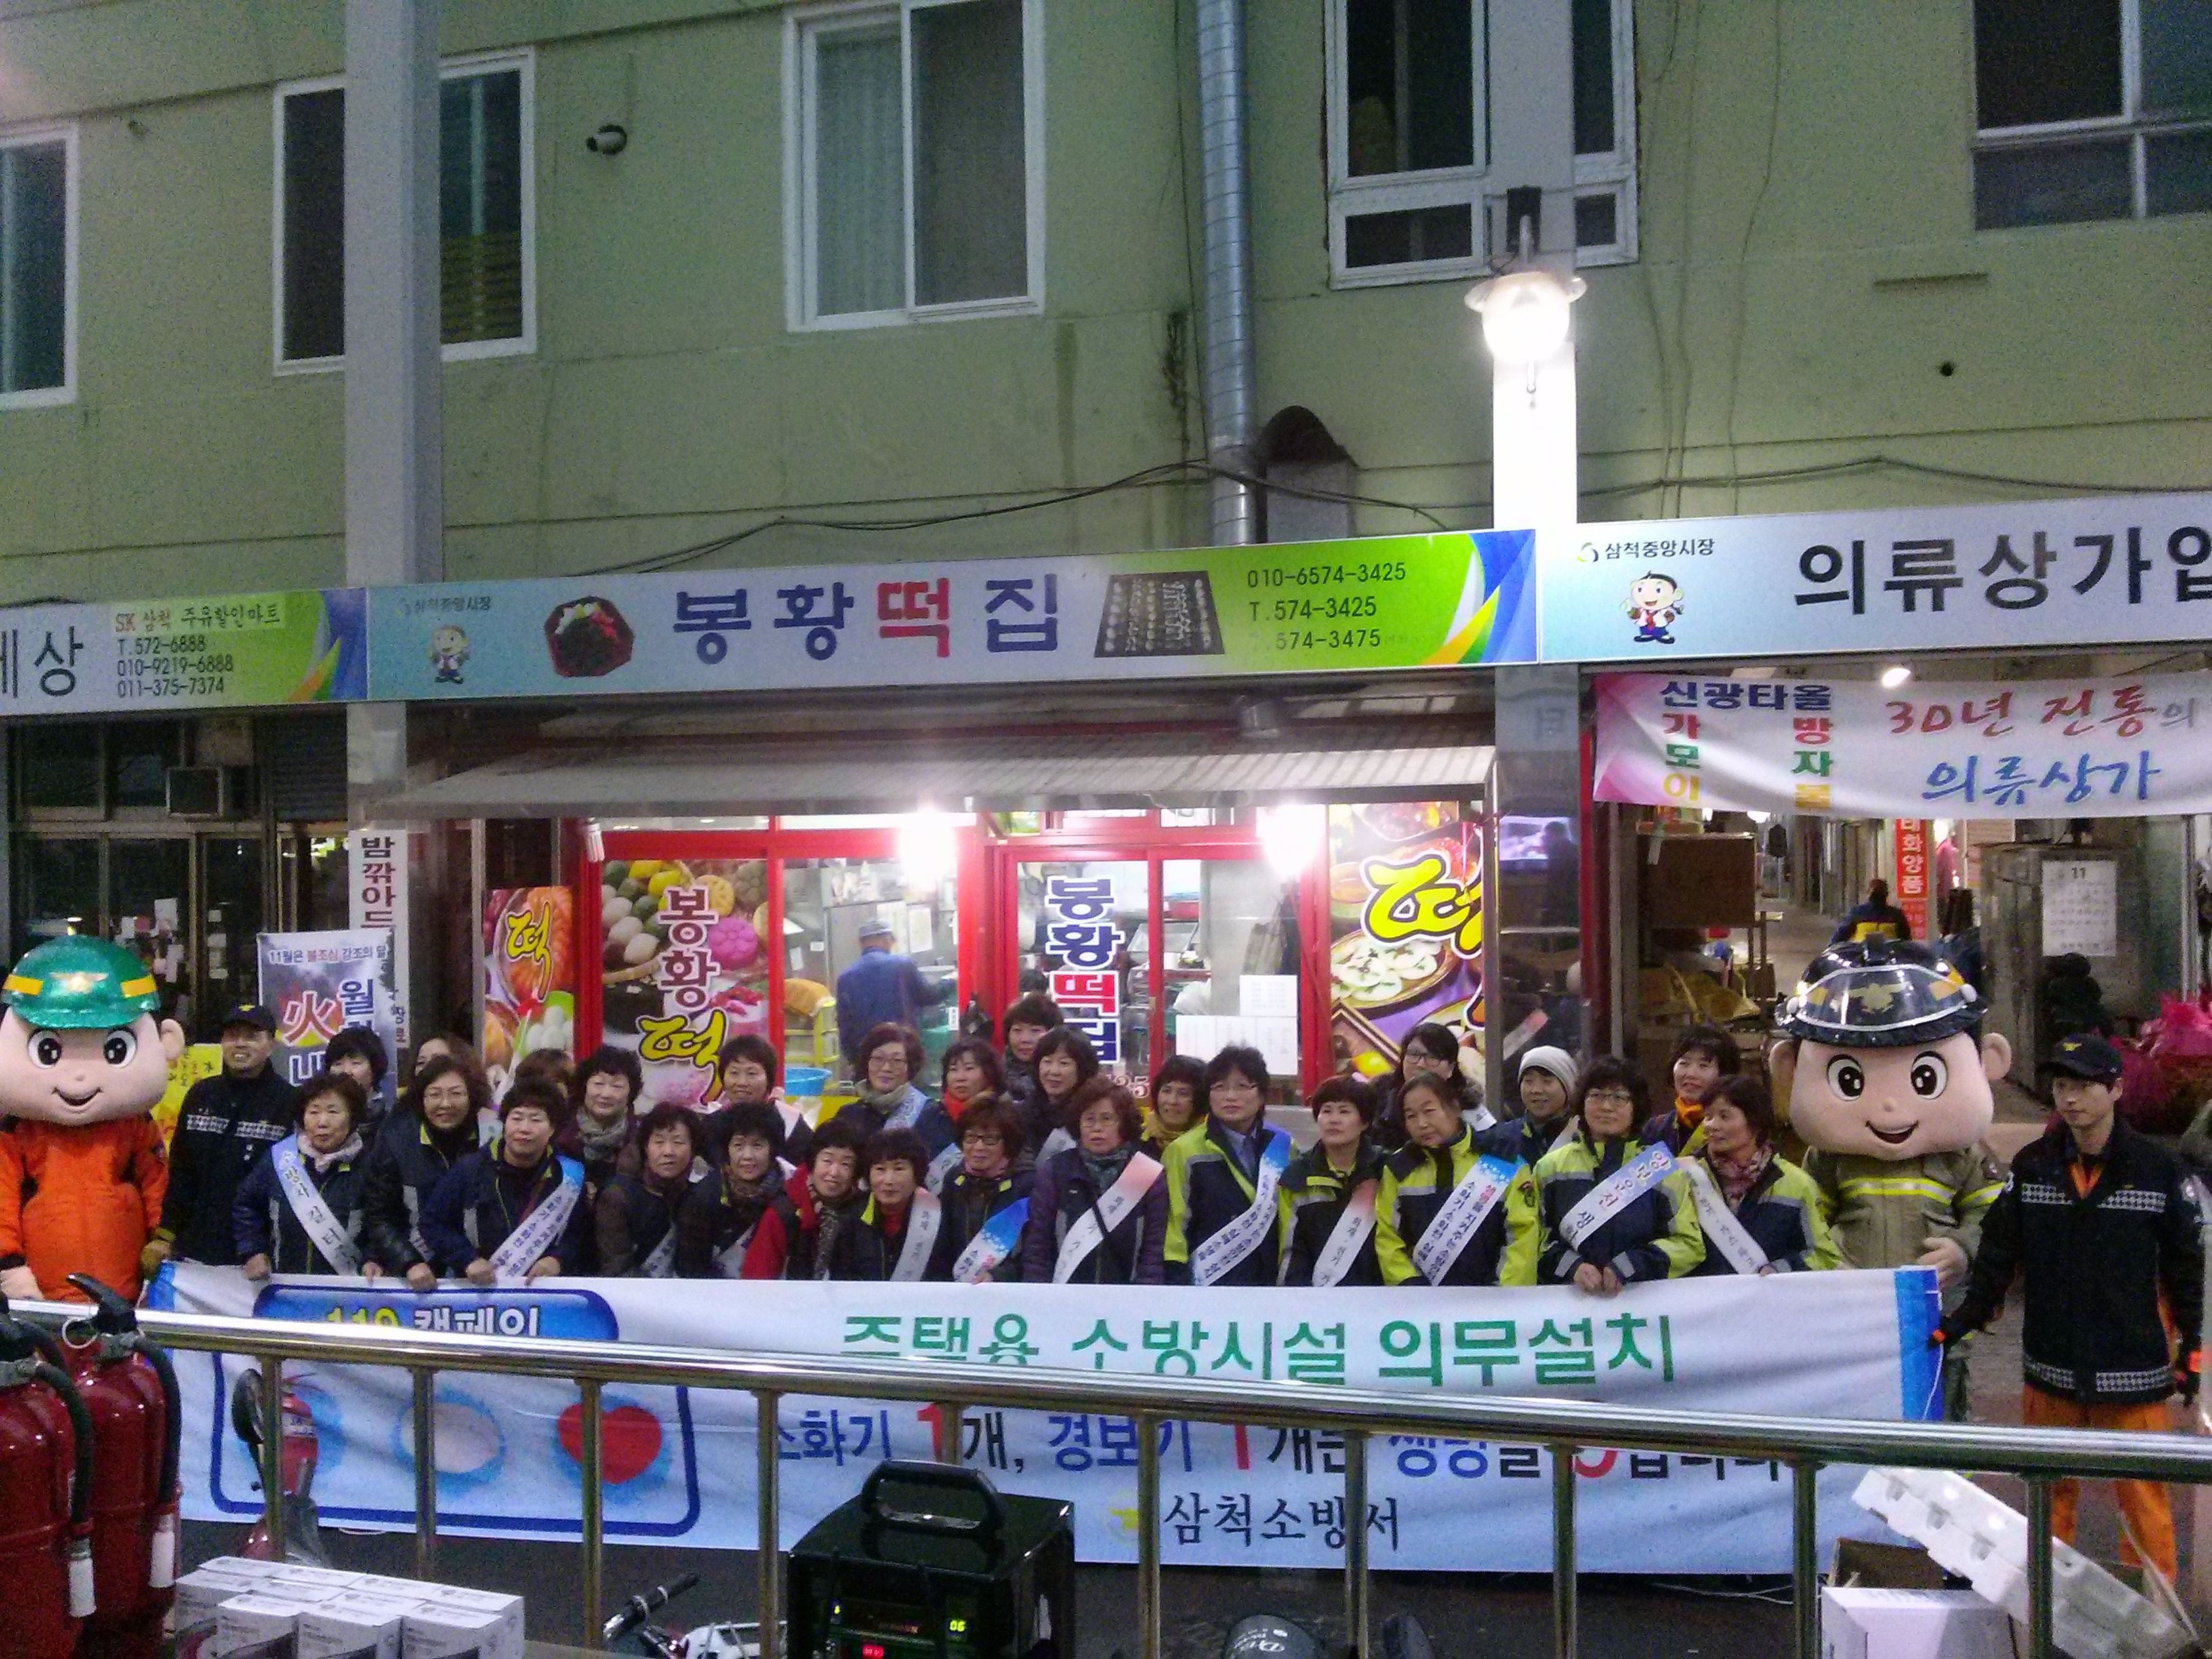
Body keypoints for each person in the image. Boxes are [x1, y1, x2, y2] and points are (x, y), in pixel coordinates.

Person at [1940, 1035, 2203, 1586]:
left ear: (2117, 1089)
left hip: (2133, 1371)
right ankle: (2046, 1607)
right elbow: (2000, 1250)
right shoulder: (2034, 1167)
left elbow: (2185, 1267)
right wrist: (1965, 1318)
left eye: (2083, 1086)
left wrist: (2193, 1348)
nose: (2070, 1099)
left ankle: (2154, 1617)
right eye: (2061, 1086)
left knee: (2143, 1503)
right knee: (2047, 1498)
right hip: (2051, 1367)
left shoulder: (2158, 1171)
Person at [1780, 939, 2010, 1420]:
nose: (1889, 1105)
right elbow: (1807, 1216)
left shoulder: (1963, 1157)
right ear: (1787, 1069)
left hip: (1938, 1315)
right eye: (1851, 1080)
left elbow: (1995, 1215)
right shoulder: (1829, 1159)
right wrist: (1826, 1259)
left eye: (1924, 1078)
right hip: (1852, 1316)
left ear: (1989, 1060)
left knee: (1939, 1413)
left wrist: (1963, 1248)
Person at [1525, 1056, 1704, 1292]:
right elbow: (1532, 1238)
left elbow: (1689, 1244)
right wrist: (1571, 1266)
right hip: (1568, 1305)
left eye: (1619, 1098)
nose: (1607, 1107)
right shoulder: (1550, 1167)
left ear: (1636, 1106)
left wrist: (1633, 1266)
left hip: (1640, 1306)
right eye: (1596, 1096)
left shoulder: (1660, 1169)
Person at [151, 1002, 297, 1269]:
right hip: (193, 1251)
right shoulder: (200, 1095)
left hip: (258, 1259)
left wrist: (260, 1249)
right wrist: (165, 1235)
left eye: (251, 1037)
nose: (240, 1044)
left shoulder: (289, 1102)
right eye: (232, 1036)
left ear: (272, 1045)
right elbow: (181, 1172)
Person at [420, 1075, 590, 1284]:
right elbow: (432, 1223)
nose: (524, 1129)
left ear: (553, 1129)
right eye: (516, 1118)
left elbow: (580, 1234)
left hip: (542, 1290)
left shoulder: (568, 1176)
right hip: (478, 1289)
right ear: (504, 1122)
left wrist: (558, 1259)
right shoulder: (470, 1169)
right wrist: (467, 1259)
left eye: (536, 1120)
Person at [1376, 1075, 1530, 1287]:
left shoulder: (1502, 1161)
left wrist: (1501, 1293)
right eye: (1411, 1116)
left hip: (1493, 1299)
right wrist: (1411, 1286)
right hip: (1421, 1302)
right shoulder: (1398, 1169)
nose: (1422, 1124)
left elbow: (1522, 1235)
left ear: (1455, 1109)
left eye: (1429, 1111)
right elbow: (1388, 1239)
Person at [1164, 1046, 1292, 1286]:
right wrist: (1176, 1281)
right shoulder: (1184, 1150)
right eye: (1220, 1087)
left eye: (1242, 1086)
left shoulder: (1284, 1146)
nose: (1230, 1096)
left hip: (1272, 1284)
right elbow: (1174, 1226)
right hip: (1208, 1286)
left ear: (1262, 1095)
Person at [1681, 1076, 1835, 1275]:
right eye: (1709, 1116)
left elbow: (1824, 1255)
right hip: (1700, 1295)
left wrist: (1781, 1270)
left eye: (1725, 1117)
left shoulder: (1796, 1184)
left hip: (1768, 1295)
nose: (1712, 1125)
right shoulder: (1685, 1177)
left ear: (1755, 1123)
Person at [1021, 1078, 1166, 1285]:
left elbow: (1153, 1251)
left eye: (1107, 1119)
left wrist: (1143, 1295)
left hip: (1127, 1296)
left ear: (1124, 1124)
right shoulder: (1055, 1171)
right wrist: (1039, 1292)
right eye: (1089, 1119)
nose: (1097, 1128)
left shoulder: (1147, 1174)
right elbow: (1038, 1244)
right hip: (1064, 1294)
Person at [361, 1055, 488, 1290]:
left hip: (482, 1276)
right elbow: (379, 1216)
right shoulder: (396, 1141)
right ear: (421, 1098)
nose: (445, 1104)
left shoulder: (491, 1139)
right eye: (435, 1095)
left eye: (456, 1094)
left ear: (472, 1097)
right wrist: (408, 1261)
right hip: (417, 1275)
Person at [234, 1071, 371, 1279]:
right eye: (313, 1112)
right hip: (285, 1286)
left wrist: (374, 1258)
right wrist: (253, 1251)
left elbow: (385, 1222)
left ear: (353, 1118)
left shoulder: (370, 1165)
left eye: (333, 1112)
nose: (322, 1122)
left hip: (347, 1291)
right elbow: (246, 1204)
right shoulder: (279, 1159)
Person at [1279, 1076, 1385, 1288]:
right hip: (1317, 1297)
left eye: (1344, 1112)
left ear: (1364, 1122)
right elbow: (1290, 1249)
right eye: (1327, 1111)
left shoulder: (1384, 1169)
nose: (1333, 1120)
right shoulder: (1297, 1175)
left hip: (1379, 1295)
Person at [742, 1116, 869, 1280]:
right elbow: (757, 1279)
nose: (834, 1173)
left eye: (846, 1164)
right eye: (827, 1161)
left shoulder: (864, 1213)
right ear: (812, 1163)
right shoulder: (783, 1214)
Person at [596, 1103, 710, 1277]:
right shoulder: (618, 1196)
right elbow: (617, 1266)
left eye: (678, 1142)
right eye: (659, 1142)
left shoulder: (702, 1192)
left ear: (693, 1149)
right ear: (645, 1147)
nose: (668, 1152)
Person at [928, 1098, 1033, 1282]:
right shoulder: (954, 1180)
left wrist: (998, 1276)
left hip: (1007, 1288)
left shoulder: (1026, 1185)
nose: (979, 1147)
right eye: (971, 1138)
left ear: (1008, 1144)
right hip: (957, 1288)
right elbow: (942, 1244)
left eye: (990, 1139)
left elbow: (1034, 1250)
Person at [841, 1023, 958, 1184]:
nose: (886, 1068)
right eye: (878, 1059)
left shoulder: (931, 1116)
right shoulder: (848, 1116)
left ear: (910, 1067)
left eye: (897, 1061)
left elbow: (948, 1177)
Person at [819, 1128, 941, 1282]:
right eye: (880, 1169)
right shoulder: (850, 1219)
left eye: (899, 1169)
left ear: (917, 1174)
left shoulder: (935, 1217)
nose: (889, 1180)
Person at [692, 1101, 796, 1278]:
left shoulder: (790, 1192)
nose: (747, 1156)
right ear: (727, 1150)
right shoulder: (705, 1196)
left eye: (757, 1145)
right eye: (738, 1145)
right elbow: (691, 1267)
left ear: (773, 1149)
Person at [835, 918, 946, 1066]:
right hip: (902, 1051)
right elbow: (929, 996)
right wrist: (950, 981)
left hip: (865, 1057)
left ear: (861, 943)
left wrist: (854, 1058)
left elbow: (844, 1023)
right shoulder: (903, 965)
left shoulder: (845, 977)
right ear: (886, 939)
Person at [708, 1035, 811, 1170]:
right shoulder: (712, 1124)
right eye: (734, 1073)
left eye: (752, 1073)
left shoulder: (790, 1122)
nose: (742, 1082)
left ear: (769, 1078)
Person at [1375, 1023, 1483, 1151]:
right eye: (1413, 1054)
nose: (1420, 1064)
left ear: (1451, 1067)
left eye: (1433, 1057)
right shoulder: (1377, 1095)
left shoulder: (1470, 1103)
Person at [1640, 1023, 1742, 1154]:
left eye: (1703, 1066)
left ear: (1725, 1074)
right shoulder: (1656, 1128)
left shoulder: (1736, 1128)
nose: (1691, 1074)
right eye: (1684, 1063)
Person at [1022, 1026, 1099, 1166]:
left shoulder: (1094, 1114)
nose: (1054, 1071)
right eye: (1047, 1062)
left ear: (1083, 1068)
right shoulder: (1021, 1114)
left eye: (1064, 1063)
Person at [1500, 1046, 1578, 1166]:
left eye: (1547, 1082)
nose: (1536, 1090)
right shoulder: (1505, 1138)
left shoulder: (1584, 1136)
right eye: (1529, 1081)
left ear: (1569, 1086)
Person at [998, 993, 1064, 1115]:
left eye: (1035, 1030)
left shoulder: (1062, 1077)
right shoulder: (995, 1076)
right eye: (1017, 1030)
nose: (1025, 1039)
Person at [1143, 1055, 1209, 1156]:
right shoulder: (1136, 1141)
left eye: (1183, 1094)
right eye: (1167, 1091)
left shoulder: (1211, 1145)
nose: (1172, 1101)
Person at [323, 1027, 389, 1118]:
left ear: (374, 1068)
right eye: (338, 1064)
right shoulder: (320, 1117)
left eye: (356, 1063)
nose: (346, 1071)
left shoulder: (391, 1117)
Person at [939, 1038, 1005, 1121]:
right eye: (953, 1069)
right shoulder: (934, 1115)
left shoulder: (1004, 1114)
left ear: (989, 1073)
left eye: (969, 1068)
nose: (960, 1078)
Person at [1832, 878, 1912, 944]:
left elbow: (1839, 937)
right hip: (1890, 955)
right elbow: (1906, 940)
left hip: (1862, 955)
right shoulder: (1896, 914)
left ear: (1868, 894)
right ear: (1887, 895)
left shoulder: (1857, 913)